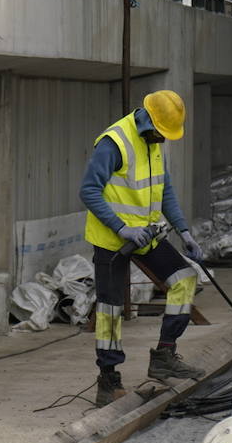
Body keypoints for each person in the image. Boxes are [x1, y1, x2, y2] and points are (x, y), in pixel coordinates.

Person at [80, 89, 206, 405]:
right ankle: (108, 381)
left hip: (146, 235)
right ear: (148, 121)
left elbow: (165, 191)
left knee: (184, 280)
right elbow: (89, 190)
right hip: (112, 239)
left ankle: (164, 355)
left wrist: (185, 232)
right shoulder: (114, 143)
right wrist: (121, 228)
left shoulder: (152, 143)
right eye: (160, 133)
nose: (163, 140)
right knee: (109, 310)